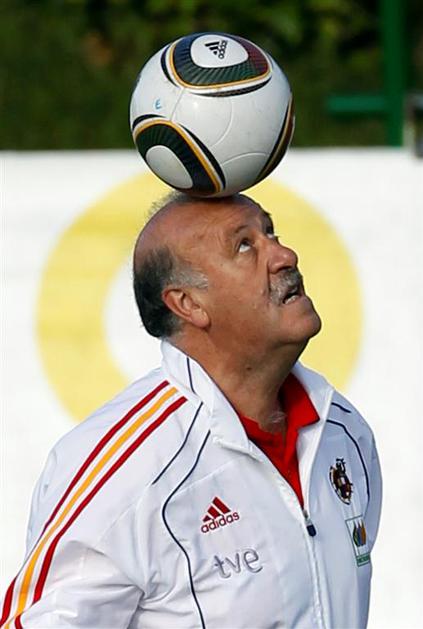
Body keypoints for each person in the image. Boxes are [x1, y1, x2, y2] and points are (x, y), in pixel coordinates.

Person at [1, 192, 382, 629]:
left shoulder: (344, 431)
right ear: (189, 304)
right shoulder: (127, 470)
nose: (284, 255)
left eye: (270, 232)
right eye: (244, 246)